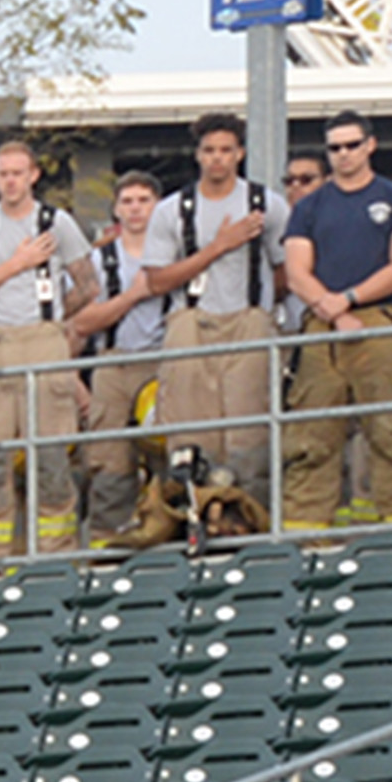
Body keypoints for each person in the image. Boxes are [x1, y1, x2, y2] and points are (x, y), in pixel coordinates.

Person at [281, 112, 392, 530]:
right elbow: (296, 271)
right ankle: (305, 539)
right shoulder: (309, 206)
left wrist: (348, 301)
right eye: (335, 148)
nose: (343, 155)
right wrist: (331, 309)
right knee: (309, 440)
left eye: (352, 145)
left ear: (371, 145)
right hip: (320, 327)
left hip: (379, 322)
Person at [0, 139, 93, 561]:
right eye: (2, 173)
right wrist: (16, 264)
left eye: (18, 173)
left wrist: (53, 317)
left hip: (43, 340)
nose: (10, 181)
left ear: (34, 175)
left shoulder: (57, 222)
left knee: (51, 458)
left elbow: (88, 285)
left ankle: (54, 555)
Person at [142, 112, 287, 509]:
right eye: (209, 151)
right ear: (198, 155)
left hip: (250, 320)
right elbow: (157, 281)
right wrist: (217, 247)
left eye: (225, 150)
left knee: (250, 432)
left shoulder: (268, 204)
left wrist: (261, 304)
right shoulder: (172, 210)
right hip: (191, 320)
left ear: (240, 153)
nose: (217, 159)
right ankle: (194, 518)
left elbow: (286, 270)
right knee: (192, 436)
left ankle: (251, 519)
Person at [70, 173, 168, 545]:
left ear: (157, 206)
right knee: (109, 461)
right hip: (114, 363)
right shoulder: (99, 259)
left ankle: (167, 534)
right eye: (127, 201)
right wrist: (133, 296)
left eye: (144, 200)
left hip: (166, 362)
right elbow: (81, 321)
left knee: (170, 454)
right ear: (115, 208)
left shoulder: (175, 254)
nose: (136, 208)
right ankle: (106, 544)